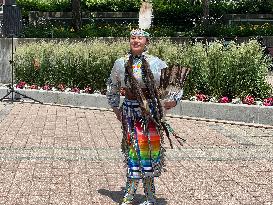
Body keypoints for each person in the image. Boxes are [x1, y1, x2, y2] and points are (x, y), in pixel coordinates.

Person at [106, 27, 184, 204]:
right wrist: (115, 108)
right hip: (130, 112)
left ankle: (149, 196)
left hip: (150, 113)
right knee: (134, 151)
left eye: (139, 38)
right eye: (133, 37)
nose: (136, 41)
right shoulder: (121, 63)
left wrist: (172, 101)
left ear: (146, 42)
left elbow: (174, 84)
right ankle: (130, 194)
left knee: (149, 151)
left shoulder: (157, 63)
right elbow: (112, 85)